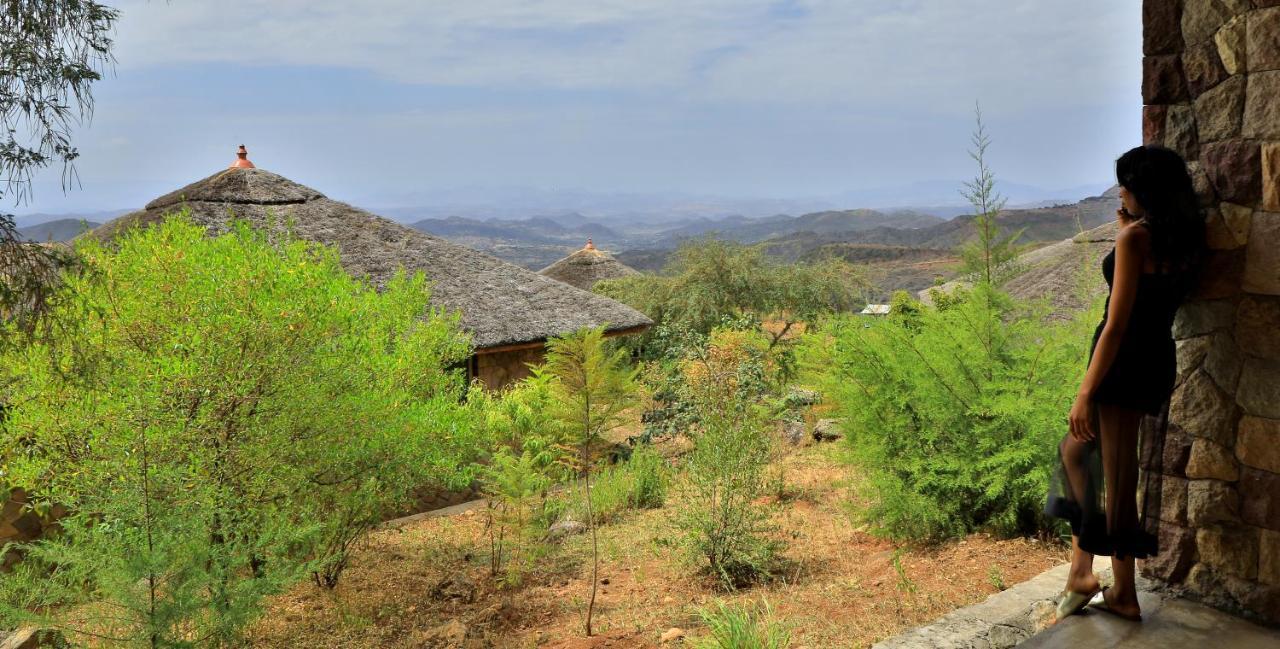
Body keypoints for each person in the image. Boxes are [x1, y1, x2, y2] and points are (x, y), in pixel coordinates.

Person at [1046, 145, 1205, 623]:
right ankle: (1082, 572)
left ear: (1146, 191)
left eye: (1127, 185)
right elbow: (1153, 293)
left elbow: (1117, 325)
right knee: (1078, 454)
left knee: (1117, 478)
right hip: (1154, 357)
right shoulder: (1181, 236)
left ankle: (1125, 594)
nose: (1121, 191)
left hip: (1122, 361)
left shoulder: (1137, 238)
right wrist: (1124, 235)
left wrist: (1084, 392)